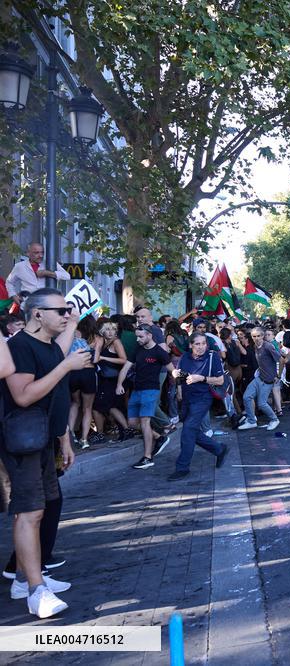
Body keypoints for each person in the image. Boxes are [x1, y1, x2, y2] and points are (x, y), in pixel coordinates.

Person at [1, 288, 90, 618]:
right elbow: (24, 396)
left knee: (42, 507)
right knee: (30, 511)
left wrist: (64, 439)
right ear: (37, 313)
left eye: (69, 310)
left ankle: (26, 580)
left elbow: (55, 397)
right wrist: (66, 366)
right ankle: (36, 592)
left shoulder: (48, 345)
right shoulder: (20, 347)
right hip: (23, 442)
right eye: (61, 310)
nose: (67, 315)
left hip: (44, 440)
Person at [170, 332, 228, 481]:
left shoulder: (212, 356)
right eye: (197, 344)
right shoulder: (185, 357)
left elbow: (220, 380)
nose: (201, 347)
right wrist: (177, 376)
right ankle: (219, 449)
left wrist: (201, 378)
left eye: (203, 343)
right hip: (187, 398)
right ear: (191, 345)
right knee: (192, 431)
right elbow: (182, 376)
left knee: (188, 429)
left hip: (203, 398)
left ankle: (182, 467)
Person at [119, 325, 175, 470]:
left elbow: (172, 371)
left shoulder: (159, 352)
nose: (138, 339)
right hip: (137, 390)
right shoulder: (137, 349)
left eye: (141, 336)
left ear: (150, 335)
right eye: (137, 336)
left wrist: (183, 383)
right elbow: (125, 367)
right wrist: (119, 384)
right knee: (132, 423)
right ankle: (159, 437)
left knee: (145, 422)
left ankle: (147, 458)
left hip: (151, 390)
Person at [237, 327, 281, 431]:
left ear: (262, 336)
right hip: (259, 377)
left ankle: (274, 420)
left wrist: (277, 375)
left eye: (258, 336)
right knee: (246, 397)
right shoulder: (255, 346)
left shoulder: (268, 346)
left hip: (268, 379)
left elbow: (281, 360)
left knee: (261, 404)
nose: (256, 338)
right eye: (254, 336)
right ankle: (252, 421)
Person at [66, 315, 100, 449]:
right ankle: (84, 439)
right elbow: (96, 360)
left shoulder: (73, 334)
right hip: (88, 373)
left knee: (74, 403)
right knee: (87, 408)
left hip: (73, 372)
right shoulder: (96, 338)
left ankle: (71, 435)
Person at [5, 243, 70, 299]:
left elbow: (67, 276)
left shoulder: (50, 263)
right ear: (28, 253)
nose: (40, 255)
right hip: (27, 303)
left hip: (47, 303)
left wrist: (48, 273)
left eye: (42, 252)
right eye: (36, 253)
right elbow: (9, 282)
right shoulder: (20, 266)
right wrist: (13, 295)